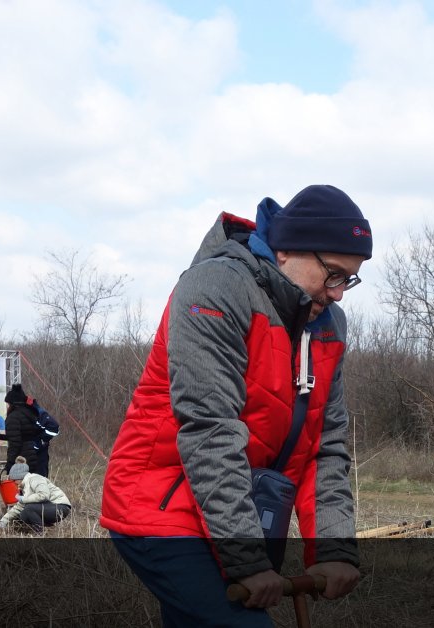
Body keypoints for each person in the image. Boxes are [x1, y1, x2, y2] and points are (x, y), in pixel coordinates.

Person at [100, 185, 369, 625]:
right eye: (333, 274)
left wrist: (334, 549)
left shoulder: (328, 324)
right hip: (162, 506)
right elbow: (210, 429)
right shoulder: (216, 288)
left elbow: (325, 446)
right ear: (287, 251)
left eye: (349, 279)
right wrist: (248, 559)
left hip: (237, 507)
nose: (339, 293)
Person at [0, 456, 71, 534]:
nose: (14, 483)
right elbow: (18, 507)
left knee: (28, 510)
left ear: (18, 477)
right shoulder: (25, 487)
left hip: (60, 507)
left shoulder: (35, 479)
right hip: (50, 507)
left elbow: (44, 495)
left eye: (14, 480)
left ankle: (39, 532)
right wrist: (3, 521)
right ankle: (46, 528)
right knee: (23, 514)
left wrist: (24, 499)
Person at [2, 385, 41, 478]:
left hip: (20, 460)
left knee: (18, 490)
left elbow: (15, 444)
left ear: (12, 404)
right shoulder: (30, 414)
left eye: (8, 403)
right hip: (32, 457)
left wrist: (10, 464)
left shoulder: (13, 417)